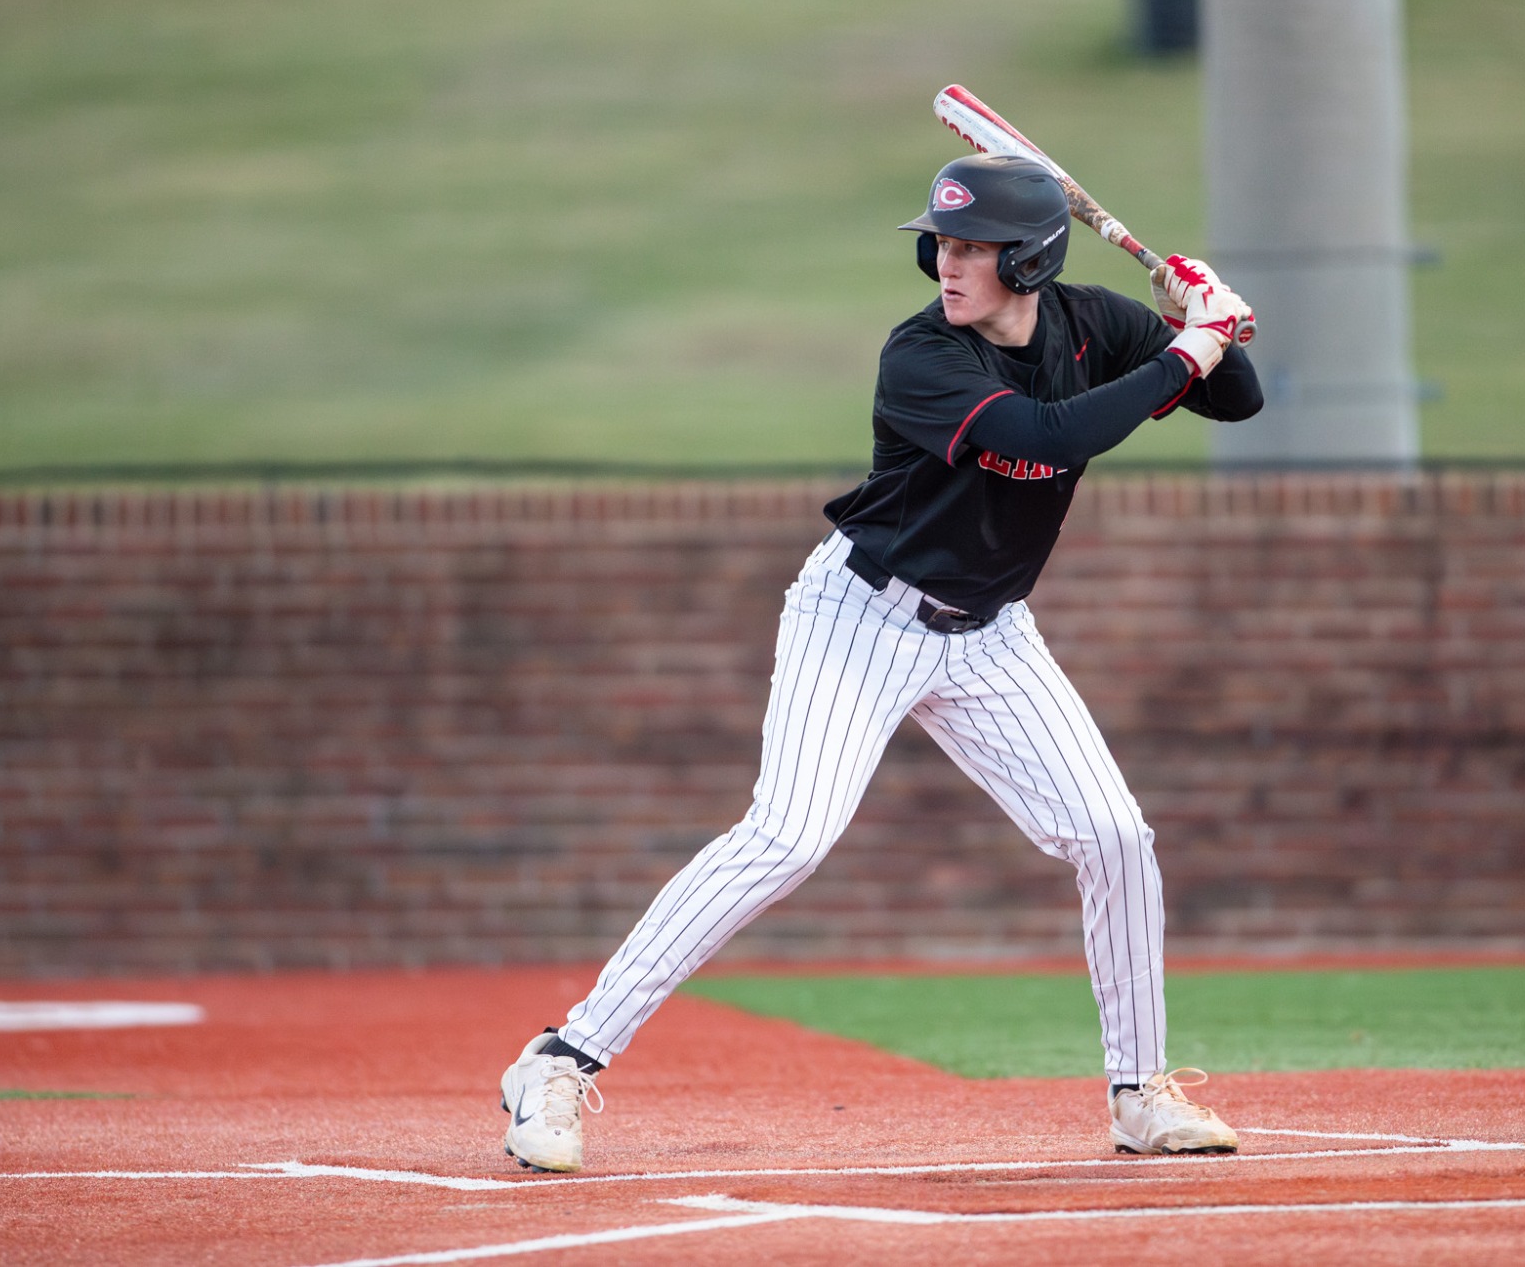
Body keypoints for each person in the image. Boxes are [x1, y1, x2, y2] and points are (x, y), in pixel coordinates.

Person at [496, 152, 1266, 1172]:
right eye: (940, 243)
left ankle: (1139, 1092)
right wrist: (1189, 350)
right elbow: (1043, 440)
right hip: (859, 618)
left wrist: (1193, 314)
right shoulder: (920, 357)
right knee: (788, 836)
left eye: (971, 247)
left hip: (990, 632)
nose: (946, 264)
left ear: (1029, 259)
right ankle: (560, 1057)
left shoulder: (1091, 324)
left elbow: (1238, 399)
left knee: (1116, 836)